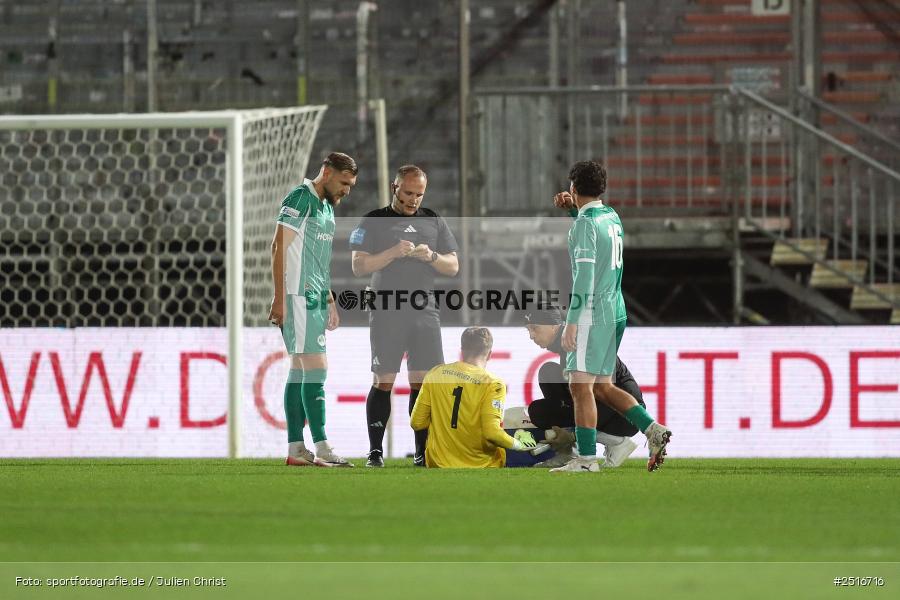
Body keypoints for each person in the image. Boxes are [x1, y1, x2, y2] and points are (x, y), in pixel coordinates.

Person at [552, 160, 672, 472]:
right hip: (616, 309)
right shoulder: (610, 215)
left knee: (579, 386)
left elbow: (585, 277)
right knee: (602, 385)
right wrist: (572, 210)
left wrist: (572, 321)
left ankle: (587, 460)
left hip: (593, 313)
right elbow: (599, 246)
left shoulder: (585, 224)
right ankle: (653, 430)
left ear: (574, 188)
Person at [349, 165, 459, 468]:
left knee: (422, 383)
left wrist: (432, 256)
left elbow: (454, 266)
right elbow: (359, 266)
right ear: (394, 187)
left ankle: (422, 452)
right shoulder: (373, 221)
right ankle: (375, 452)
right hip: (386, 310)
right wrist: (393, 252)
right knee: (384, 380)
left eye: (419, 194)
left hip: (425, 311)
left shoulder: (433, 220)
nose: (413, 200)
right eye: (408, 193)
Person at [269, 152, 358, 468]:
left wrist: (331, 299)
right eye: (344, 183)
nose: (347, 190)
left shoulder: (327, 209)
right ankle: (321, 446)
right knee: (317, 366)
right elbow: (279, 246)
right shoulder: (301, 198)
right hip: (297, 296)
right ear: (328, 172)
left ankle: (297, 448)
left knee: (300, 369)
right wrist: (280, 298)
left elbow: (320, 259)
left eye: (351, 185)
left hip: (316, 299)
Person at [524, 305, 641, 468]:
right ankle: (568, 453)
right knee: (547, 379)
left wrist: (572, 434)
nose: (531, 336)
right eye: (528, 330)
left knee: (544, 408)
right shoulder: (569, 346)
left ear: (554, 325)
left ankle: (616, 442)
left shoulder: (579, 343)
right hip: (607, 407)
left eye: (535, 328)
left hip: (623, 416)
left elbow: (604, 394)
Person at [410, 327, 536, 468]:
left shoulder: (435, 374)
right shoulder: (493, 384)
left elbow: (417, 423)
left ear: (462, 350)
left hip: (438, 463)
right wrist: (519, 445)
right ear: (489, 354)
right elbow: (492, 433)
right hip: (482, 464)